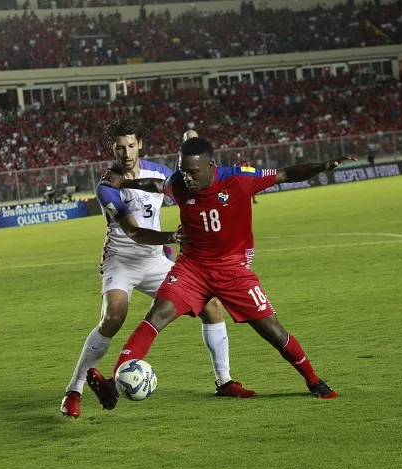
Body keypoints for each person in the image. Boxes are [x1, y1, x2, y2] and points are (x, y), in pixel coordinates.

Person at [88, 137, 357, 410]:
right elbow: (159, 185)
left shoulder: (239, 179)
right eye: (182, 171)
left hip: (232, 270)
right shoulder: (179, 183)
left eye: (193, 172)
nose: (186, 178)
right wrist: (124, 183)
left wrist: (322, 166)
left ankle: (313, 380)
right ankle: (114, 381)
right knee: (156, 316)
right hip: (192, 267)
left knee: (273, 332)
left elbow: (286, 174)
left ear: (210, 166)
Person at [60, 119, 255, 418]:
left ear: (140, 145)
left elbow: (192, 187)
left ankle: (224, 381)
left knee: (212, 306)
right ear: (112, 149)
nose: (126, 153)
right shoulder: (107, 187)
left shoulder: (159, 172)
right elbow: (135, 232)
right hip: (121, 260)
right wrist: (172, 237)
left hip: (154, 260)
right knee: (113, 317)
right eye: (119, 147)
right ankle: (74, 390)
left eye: (131, 145)